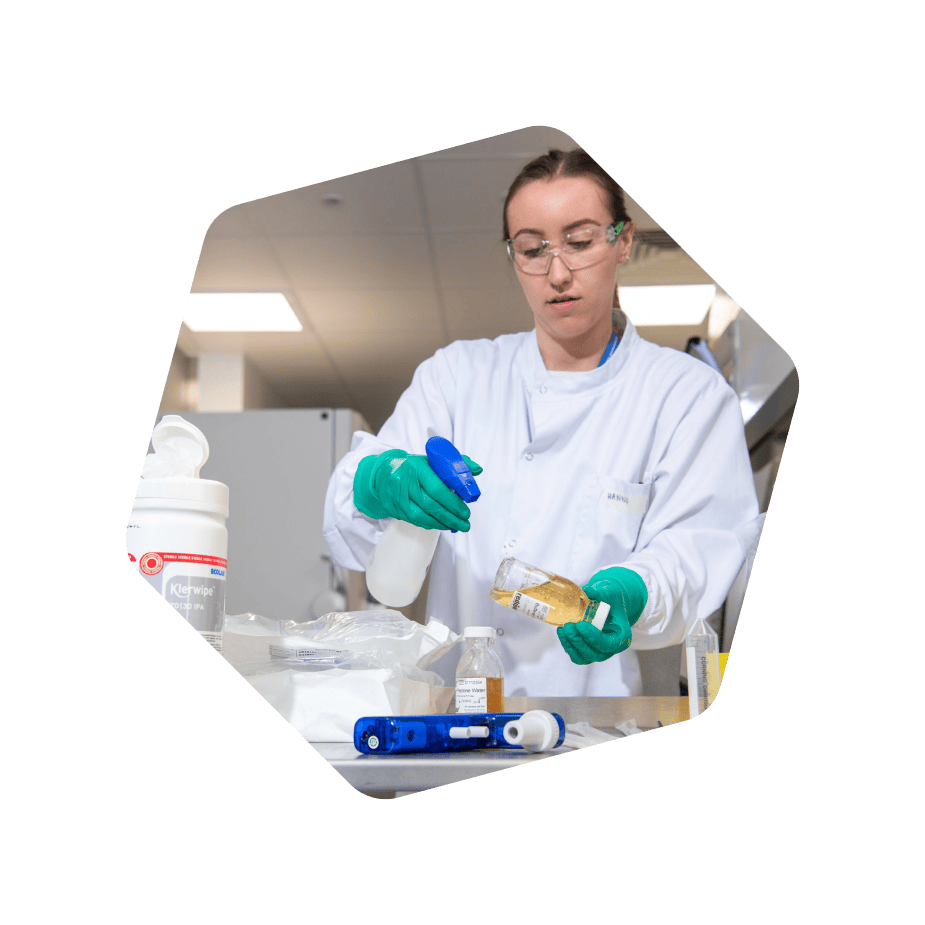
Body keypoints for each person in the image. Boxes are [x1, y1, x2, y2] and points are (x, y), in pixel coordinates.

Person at [323, 148, 763, 697]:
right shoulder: (458, 375)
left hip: (603, 721)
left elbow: (700, 546)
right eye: (533, 250)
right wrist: (380, 482)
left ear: (623, 241)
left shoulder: (686, 395)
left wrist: (633, 589)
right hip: (458, 715)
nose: (557, 272)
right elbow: (349, 520)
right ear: (514, 259)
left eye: (579, 242)